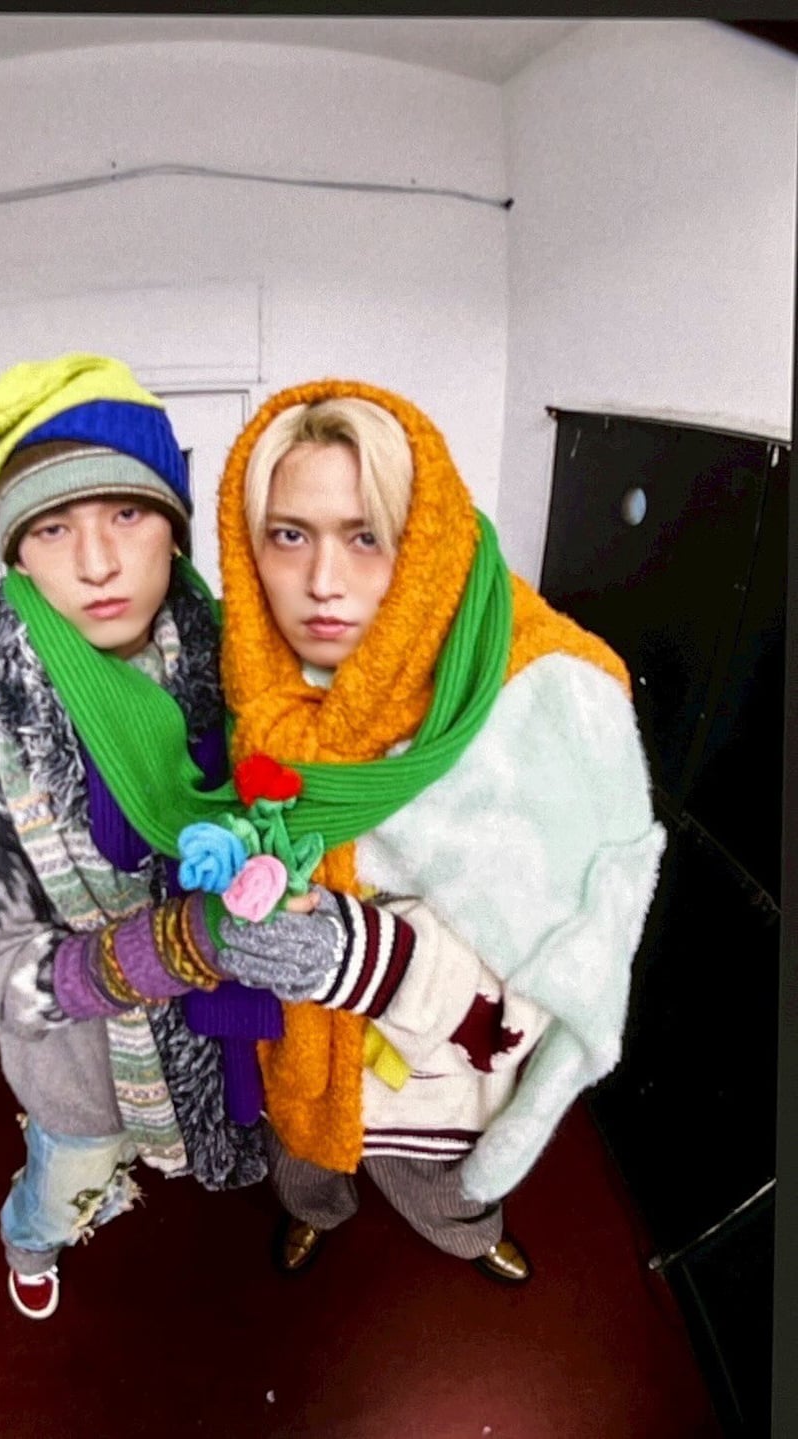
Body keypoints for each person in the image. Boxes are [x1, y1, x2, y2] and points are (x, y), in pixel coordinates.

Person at [204, 379, 666, 1282]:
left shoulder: (539, 700)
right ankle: (315, 1210)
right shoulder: (252, 691)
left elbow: (564, 963)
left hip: (438, 1075)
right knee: (303, 1158)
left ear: (422, 539)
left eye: (365, 535)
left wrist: (359, 956)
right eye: (289, 535)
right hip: (300, 1052)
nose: (324, 583)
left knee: (442, 1179)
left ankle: (466, 1229)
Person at [0, 353, 332, 1319]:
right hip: (83, 1075)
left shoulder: (242, 671)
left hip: (224, 1040)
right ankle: (28, 1241)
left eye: (128, 514)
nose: (97, 562)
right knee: (72, 1177)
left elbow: (300, 818)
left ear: (174, 529)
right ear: (18, 555)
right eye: (53, 527)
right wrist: (158, 950)